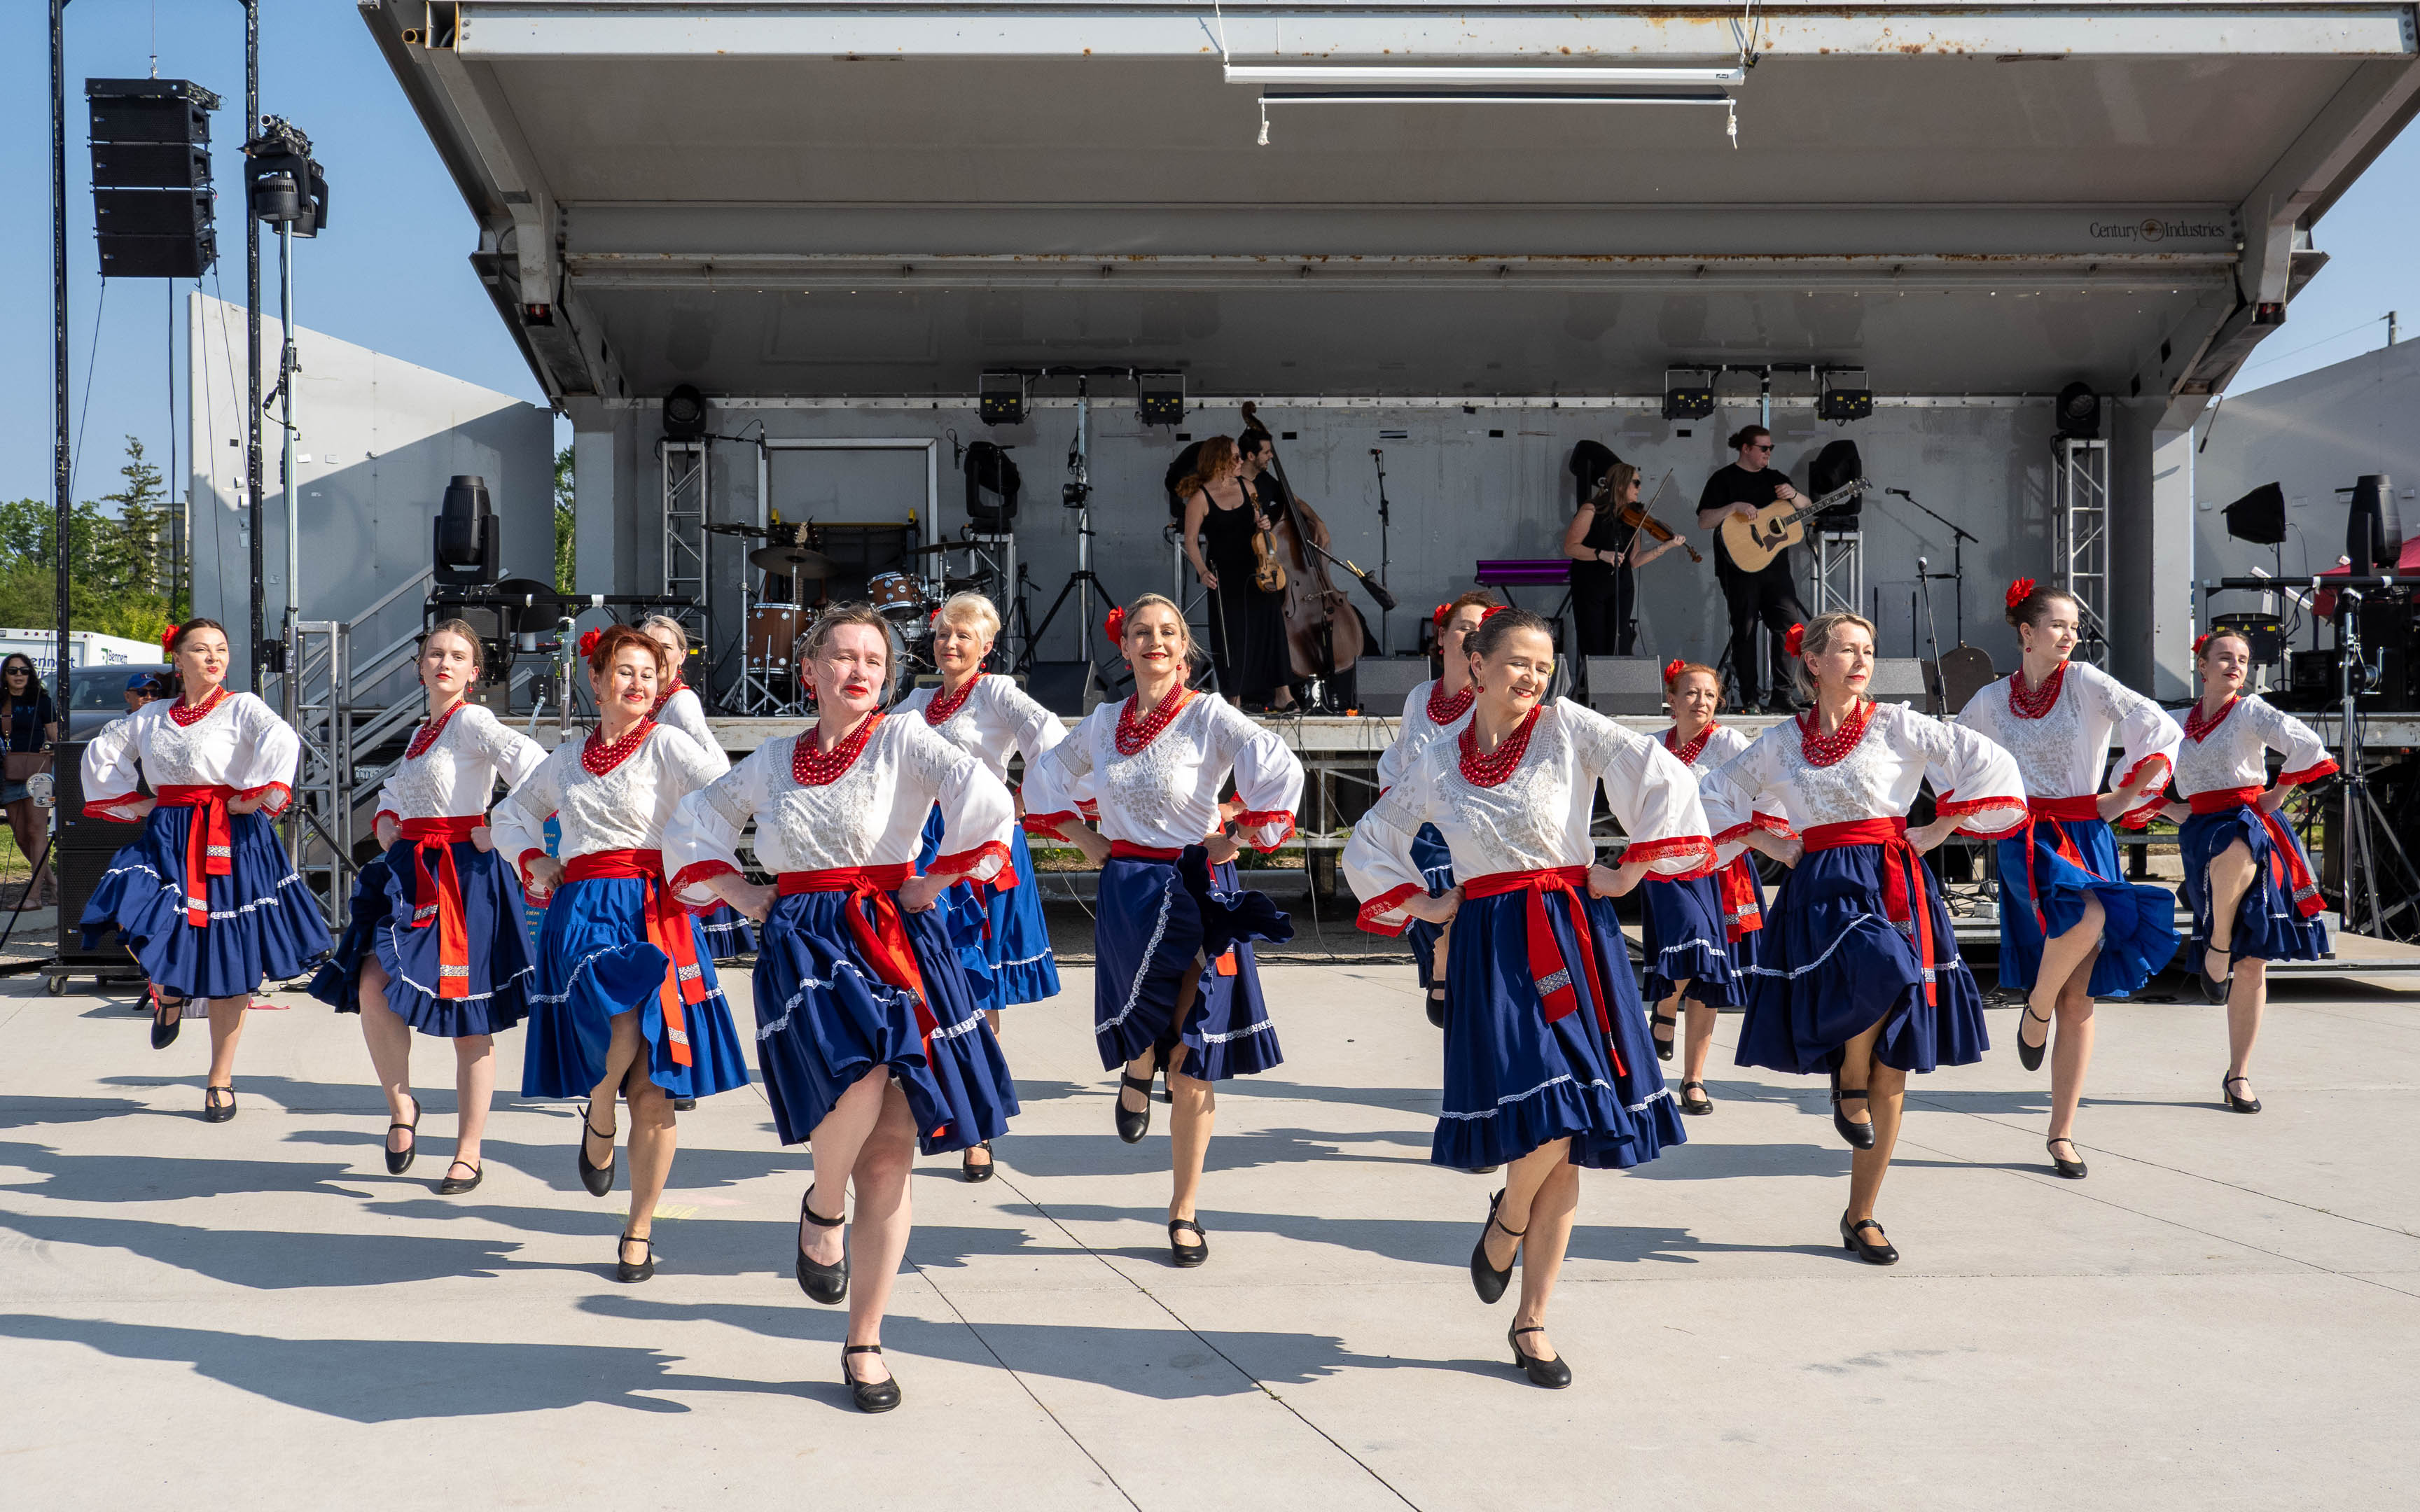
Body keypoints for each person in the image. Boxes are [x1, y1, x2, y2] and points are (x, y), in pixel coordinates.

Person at [667, 603, 1021, 1413]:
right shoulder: (776, 759)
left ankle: (865, 1341)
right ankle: (822, 1205)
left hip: (894, 935)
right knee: (855, 1082)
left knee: (891, 1155)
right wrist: (737, 889)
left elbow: (981, 791)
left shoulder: (903, 739)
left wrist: (938, 876)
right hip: (806, 943)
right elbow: (699, 818)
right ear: (812, 671)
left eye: (875, 659)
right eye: (844, 656)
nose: (861, 669)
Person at [1344, 607, 1708, 1388]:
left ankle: (1527, 1300)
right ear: (1475, 663)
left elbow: (1663, 773)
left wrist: (1631, 869)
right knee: (1549, 1112)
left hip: (1573, 931)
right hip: (1492, 941)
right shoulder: (1437, 757)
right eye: (1518, 663)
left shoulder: (1569, 727)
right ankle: (1513, 1251)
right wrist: (1426, 901)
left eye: (1543, 666)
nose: (1533, 678)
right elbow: (1371, 839)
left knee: (1571, 1117)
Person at [1699, 612, 2025, 1265]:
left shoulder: (1899, 724)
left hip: (1893, 878)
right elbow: (1710, 794)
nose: (1861, 660)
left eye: (1870, 650)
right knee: (1883, 970)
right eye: (1847, 649)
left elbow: (1989, 762)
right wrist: (1767, 840)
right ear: (1813, 662)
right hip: (1819, 886)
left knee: (1895, 1055)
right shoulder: (1781, 742)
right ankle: (1848, 1078)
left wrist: (1939, 830)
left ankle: (1862, 1213)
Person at [1020, 594, 1303, 1269]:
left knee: (1196, 1052)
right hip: (1129, 892)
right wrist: (1083, 837)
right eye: (1142, 632)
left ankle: (1184, 1210)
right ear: (1126, 648)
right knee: (1147, 1026)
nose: (1155, 641)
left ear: (1185, 649)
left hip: (1199, 890)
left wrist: (1237, 832)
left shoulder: (1209, 715)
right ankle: (1137, 1065)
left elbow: (1277, 764)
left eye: (1169, 632)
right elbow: (1044, 779)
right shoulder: (1105, 721)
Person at [489, 624, 751, 1283]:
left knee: (657, 1088)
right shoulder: (567, 757)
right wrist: (536, 859)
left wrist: (696, 859)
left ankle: (639, 1227)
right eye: (624, 672)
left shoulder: (668, 746)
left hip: (655, 908)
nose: (637, 683)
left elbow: (730, 792)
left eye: (648, 674)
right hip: (582, 912)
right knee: (622, 1023)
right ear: (598, 683)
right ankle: (601, 1110)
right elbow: (510, 816)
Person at [307, 621, 548, 1194]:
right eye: (435, 653)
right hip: (413, 873)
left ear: (474, 671)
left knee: (471, 1019)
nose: (445, 661)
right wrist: (388, 821)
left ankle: (469, 1151)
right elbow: (397, 796)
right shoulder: (424, 734)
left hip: (464, 879)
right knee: (373, 985)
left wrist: (502, 826)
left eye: (458, 655)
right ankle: (402, 1107)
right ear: (419, 667)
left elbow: (537, 767)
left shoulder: (472, 720)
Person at [1954, 581, 2181, 1177]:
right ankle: (2038, 1008)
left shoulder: (2085, 682)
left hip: (2085, 832)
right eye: (2058, 624)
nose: (2071, 634)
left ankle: (2060, 1126)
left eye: (2075, 626)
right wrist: (1977, 812)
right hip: (2026, 841)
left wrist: (2127, 793)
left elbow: (2154, 725)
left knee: (2078, 987)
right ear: (2026, 633)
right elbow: (1956, 757)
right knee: (2090, 926)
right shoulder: (1988, 701)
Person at [77, 620, 335, 1121]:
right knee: (137, 915)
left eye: (221, 648)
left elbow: (281, 739)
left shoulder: (242, 707)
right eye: (200, 649)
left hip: (232, 839)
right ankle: (169, 992)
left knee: (230, 961)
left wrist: (258, 793)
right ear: (178, 658)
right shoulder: (152, 716)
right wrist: (141, 803)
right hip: (171, 835)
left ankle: (220, 1077)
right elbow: (103, 750)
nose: (213, 657)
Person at [892, 591, 1066, 1180]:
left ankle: (980, 1125)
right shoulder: (916, 702)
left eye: (964, 635)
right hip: (927, 846)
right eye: (943, 633)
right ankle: (948, 1107)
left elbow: (1051, 739)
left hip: (980, 848)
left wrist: (1028, 799)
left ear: (986, 646)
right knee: (931, 982)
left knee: (979, 989)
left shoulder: (998, 694)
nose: (950, 643)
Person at [2157, 629, 2336, 1115]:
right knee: (2224, 847)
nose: (2235, 666)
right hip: (2200, 830)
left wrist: (2277, 794)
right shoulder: (2174, 723)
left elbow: (2308, 744)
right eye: (2224, 658)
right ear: (2202, 666)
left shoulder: (2251, 710)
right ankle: (2217, 944)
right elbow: (2132, 769)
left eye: (2243, 659)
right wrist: (2171, 809)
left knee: (2252, 956)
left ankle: (2238, 1073)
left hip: (2252, 822)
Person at [1641, 660, 1770, 1116]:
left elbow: (1760, 791)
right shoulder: (1651, 747)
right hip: (1669, 871)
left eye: (1710, 696)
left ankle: (1694, 1079)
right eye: (1691, 693)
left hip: (1722, 869)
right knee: (1689, 947)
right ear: (1671, 700)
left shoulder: (1731, 744)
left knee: (1711, 975)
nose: (1701, 703)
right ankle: (1665, 1005)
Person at [1377, 593, 1496, 1027]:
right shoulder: (1419, 696)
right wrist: (1393, 794)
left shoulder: (1490, 699)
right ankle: (1443, 958)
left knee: (1453, 893)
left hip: (1465, 826)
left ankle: (1445, 959)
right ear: (1442, 636)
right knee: (1410, 866)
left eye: (1483, 629)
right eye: (1464, 626)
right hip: (1418, 827)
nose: (1473, 636)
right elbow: (1400, 756)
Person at [636, 614, 758, 966]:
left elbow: (714, 763)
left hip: (678, 818)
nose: (656, 654)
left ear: (682, 655)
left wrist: (700, 805)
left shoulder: (680, 703)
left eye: (665, 647)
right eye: (648, 646)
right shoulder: (655, 701)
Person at [1695, 426, 1811, 713]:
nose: (1768, 454)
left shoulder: (1775, 480)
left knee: (1789, 626)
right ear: (1746, 449)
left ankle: (1782, 695)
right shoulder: (1723, 479)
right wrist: (1733, 507)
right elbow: (1704, 521)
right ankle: (1749, 697)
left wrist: (1794, 494)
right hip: (1738, 567)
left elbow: (1808, 508)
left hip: (1776, 569)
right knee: (1745, 630)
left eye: (1771, 448)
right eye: (1763, 448)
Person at [1180, 436, 1295, 711]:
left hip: (1257, 569)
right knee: (1232, 636)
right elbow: (1191, 541)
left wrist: (1264, 523)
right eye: (1235, 457)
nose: (1241, 461)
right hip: (1225, 576)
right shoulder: (1200, 498)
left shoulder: (1248, 486)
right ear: (1220, 460)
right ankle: (1235, 699)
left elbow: (1259, 525)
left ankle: (1283, 694)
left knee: (1270, 628)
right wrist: (1202, 570)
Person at [1564, 461, 1683, 657]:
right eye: (1636, 483)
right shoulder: (1591, 510)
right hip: (1591, 586)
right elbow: (1571, 547)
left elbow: (1634, 560)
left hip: (1621, 587)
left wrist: (1665, 546)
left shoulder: (1632, 517)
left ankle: (1618, 687)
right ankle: (1595, 687)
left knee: (1620, 642)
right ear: (1620, 485)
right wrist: (1601, 554)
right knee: (1594, 642)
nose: (1640, 488)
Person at [1, 652, 59, 910]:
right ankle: (53, 884)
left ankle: (34, 896)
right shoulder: (1, 702)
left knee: (37, 831)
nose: (19, 676)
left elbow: (55, 737)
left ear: (31, 674)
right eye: (13, 671)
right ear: (5, 675)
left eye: (24, 671)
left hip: (40, 771)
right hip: (8, 772)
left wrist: (51, 748)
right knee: (22, 835)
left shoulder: (42, 701)